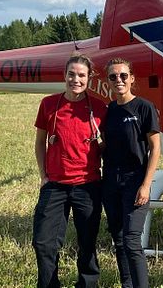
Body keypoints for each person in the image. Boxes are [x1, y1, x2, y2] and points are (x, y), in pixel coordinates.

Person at [32, 54, 107, 288]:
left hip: (88, 184)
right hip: (55, 185)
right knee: (44, 242)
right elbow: (40, 143)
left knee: (87, 241)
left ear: (89, 78)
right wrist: (44, 175)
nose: (76, 79)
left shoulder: (99, 107)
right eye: (72, 74)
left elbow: (107, 146)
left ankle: (87, 284)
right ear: (64, 76)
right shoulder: (49, 104)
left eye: (81, 75)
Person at [101, 58, 160, 288]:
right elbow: (105, 145)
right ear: (108, 81)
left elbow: (155, 149)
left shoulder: (144, 107)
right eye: (113, 77)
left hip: (135, 180)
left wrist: (146, 185)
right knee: (118, 240)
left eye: (123, 75)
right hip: (110, 181)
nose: (119, 80)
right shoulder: (109, 111)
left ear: (132, 79)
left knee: (131, 240)